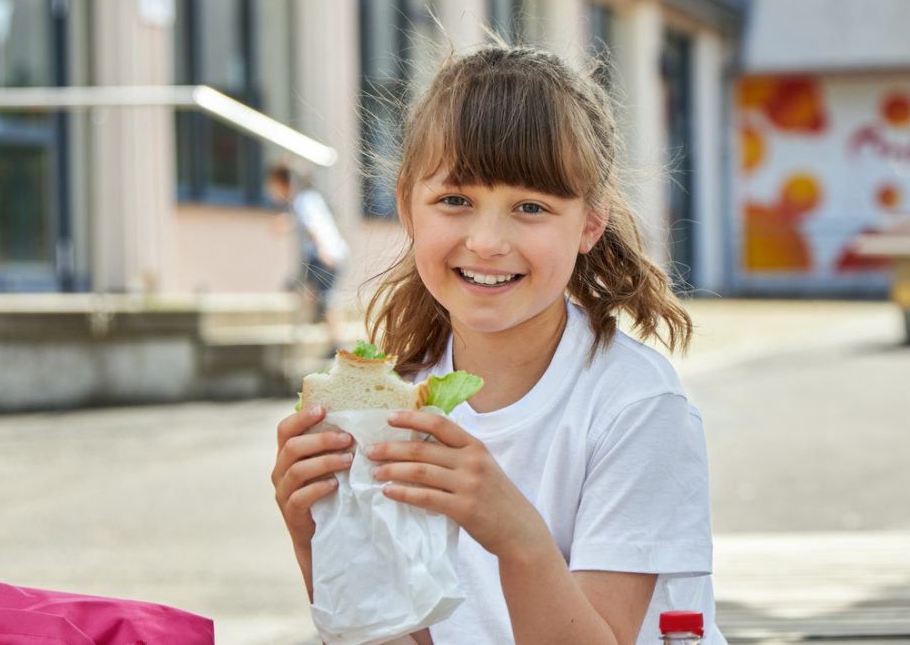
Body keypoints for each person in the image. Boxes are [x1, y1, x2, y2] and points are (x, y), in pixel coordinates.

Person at [271, 45, 723, 644]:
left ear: (591, 221)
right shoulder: (397, 408)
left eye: (530, 207)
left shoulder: (635, 407)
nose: (486, 241)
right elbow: (389, 633)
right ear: (408, 203)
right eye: (455, 201)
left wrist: (517, 536)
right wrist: (313, 530)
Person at [266, 161, 348, 355]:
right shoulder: (304, 200)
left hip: (324, 256)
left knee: (323, 296)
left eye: (276, 186)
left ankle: (335, 341)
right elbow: (298, 222)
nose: (275, 192)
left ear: (284, 183)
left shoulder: (304, 200)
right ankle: (320, 326)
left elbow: (315, 227)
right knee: (301, 289)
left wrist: (322, 250)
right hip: (320, 256)